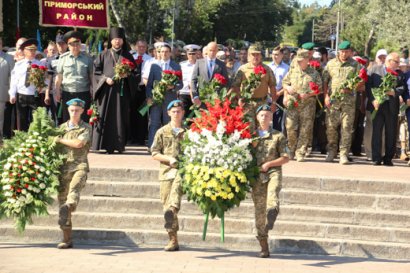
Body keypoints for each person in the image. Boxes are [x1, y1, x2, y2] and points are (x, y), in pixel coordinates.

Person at [252, 104, 289, 258]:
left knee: (272, 196)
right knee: (260, 214)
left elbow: (286, 158)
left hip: (273, 172)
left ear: (271, 117)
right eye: (262, 115)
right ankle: (263, 245)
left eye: (268, 115)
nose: (265, 117)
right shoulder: (250, 136)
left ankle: (273, 211)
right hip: (256, 177)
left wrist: (269, 164)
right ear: (256, 117)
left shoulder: (278, 136)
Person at [92, 27, 137, 154]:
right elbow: (96, 73)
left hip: (122, 94)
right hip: (106, 92)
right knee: (104, 117)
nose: (117, 41)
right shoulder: (103, 55)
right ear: (111, 40)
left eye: (120, 39)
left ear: (123, 41)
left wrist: (127, 76)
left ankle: (119, 145)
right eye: (115, 39)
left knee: (120, 117)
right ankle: (103, 145)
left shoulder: (128, 56)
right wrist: (105, 79)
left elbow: (136, 74)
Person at [55, 98, 92, 249]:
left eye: (77, 110)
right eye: (72, 110)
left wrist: (60, 140)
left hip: (79, 166)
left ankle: (70, 205)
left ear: (82, 111)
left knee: (74, 190)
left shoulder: (86, 128)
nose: (74, 112)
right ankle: (67, 238)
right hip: (63, 170)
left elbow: (79, 143)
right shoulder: (61, 128)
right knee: (62, 205)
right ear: (68, 110)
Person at [151, 100, 185, 251]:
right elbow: (155, 153)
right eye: (174, 112)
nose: (176, 114)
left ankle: (173, 208)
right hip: (166, 172)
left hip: (183, 171)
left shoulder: (189, 133)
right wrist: (168, 159)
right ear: (168, 113)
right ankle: (173, 239)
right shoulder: (162, 132)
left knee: (174, 198)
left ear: (183, 113)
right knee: (167, 208)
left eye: (179, 111)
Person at [323, 41, 363, 164]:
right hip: (333, 101)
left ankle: (344, 154)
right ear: (338, 51)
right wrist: (326, 97)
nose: (344, 54)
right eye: (342, 51)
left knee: (346, 127)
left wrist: (352, 87)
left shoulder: (355, 65)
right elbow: (325, 81)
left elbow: (361, 83)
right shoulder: (330, 64)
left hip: (348, 101)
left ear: (350, 52)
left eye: (346, 51)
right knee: (331, 127)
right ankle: (332, 151)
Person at [282, 49, 322, 161]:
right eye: (297, 60)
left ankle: (300, 152)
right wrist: (287, 89)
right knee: (290, 127)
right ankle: (291, 149)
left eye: (301, 60)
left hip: (308, 106)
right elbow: (285, 82)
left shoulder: (314, 73)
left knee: (305, 130)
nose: (299, 62)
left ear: (307, 60)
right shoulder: (292, 71)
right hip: (293, 104)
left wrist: (309, 94)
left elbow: (319, 89)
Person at [366, 52, 405, 166]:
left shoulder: (399, 74)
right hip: (377, 106)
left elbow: (402, 87)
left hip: (392, 107)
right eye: (396, 62)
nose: (398, 65)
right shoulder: (374, 69)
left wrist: (393, 92)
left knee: (391, 133)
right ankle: (376, 157)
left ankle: (388, 158)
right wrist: (373, 100)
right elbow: (368, 86)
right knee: (377, 132)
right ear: (389, 61)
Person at [231, 44, 276, 132]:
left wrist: (273, 103)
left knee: (262, 128)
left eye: (258, 54)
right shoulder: (243, 69)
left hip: (263, 103)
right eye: (253, 54)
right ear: (249, 56)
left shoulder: (267, 69)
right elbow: (235, 85)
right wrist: (239, 98)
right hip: (247, 103)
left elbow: (272, 86)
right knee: (249, 128)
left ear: (261, 56)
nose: (256, 57)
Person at [146, 43, 182, 149]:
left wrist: (173, 87)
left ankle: (169, 147)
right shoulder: (154, 66)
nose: (164, 54)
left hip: (170, 100)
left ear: (170, 53)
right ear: (159, 53)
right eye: (162, 52)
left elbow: (181, 84)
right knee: (154, 123)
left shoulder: (176, 66)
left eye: (166, 52)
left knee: (169, 123)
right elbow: (149, 84)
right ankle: (152, 146)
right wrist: (149, 97)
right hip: (156, 99)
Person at [55, 31, 93, 123]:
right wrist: (57, 91)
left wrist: (93, 91)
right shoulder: (63, 58)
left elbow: (91, 77)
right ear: (68, 45)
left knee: (83, 118)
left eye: (77, 44)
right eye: (72, 45)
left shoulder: (88, 58)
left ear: (80, 45)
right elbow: (59, 77)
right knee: (67, 118)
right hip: (68, 93)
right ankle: (68, 137)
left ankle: (82, 136)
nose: (75, 47)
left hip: (83, 92)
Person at [8, 39, 43, 132]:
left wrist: (41, 87)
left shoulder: (40, 64)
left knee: (35, 120)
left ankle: (34, 139)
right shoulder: (19, 64)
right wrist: (12, 94)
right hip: (21, 95)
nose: (32, 52)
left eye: (34, 50)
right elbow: (14, 80)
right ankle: (23, 140)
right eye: (29, 50)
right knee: (21, 119)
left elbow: (44, 80)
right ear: (24, 51)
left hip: (34, 95)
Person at [190, 41, 229, 107]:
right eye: (210, 50)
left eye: (214, 51)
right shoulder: (199, 63)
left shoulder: (221, 64)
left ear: (217, 51)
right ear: (207, 50)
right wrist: (195, 96)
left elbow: (226, 82)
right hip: (201, 99)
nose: (212, 53)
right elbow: (193, 80)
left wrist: (222, 96)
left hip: (216, 100)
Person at [129, 39, 152, 145]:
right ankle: (132, 138)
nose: (141, 48)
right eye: (139, 46)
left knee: (142, 114)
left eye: (143, 47)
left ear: (146, 48)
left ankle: (141, 138)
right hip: (133, 90)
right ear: (136, 47)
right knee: (132, 113)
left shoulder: (150, 60)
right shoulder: (131, 58)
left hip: (144, 90)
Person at [45, 35, 68, 125]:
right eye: (59, 44)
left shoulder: (72, 57)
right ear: (56, 45)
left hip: (68, 90)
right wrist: (47, 94)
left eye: (63, 44)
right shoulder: (52, 60)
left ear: (66, 45)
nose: (61, 46)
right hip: (55, 92)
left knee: (67, 116)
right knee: (56, 117)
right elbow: (49, 78)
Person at [268, 46, 289, 132]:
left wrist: (278, 93)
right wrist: (270, 92)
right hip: (268, 96)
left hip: (280, 96)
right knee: (267, 118)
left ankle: (278, 139)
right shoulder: (268, 67)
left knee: (278, 119)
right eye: (273, 54)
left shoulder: (287, 68)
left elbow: (288, 83)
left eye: (276, 54)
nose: (274, 56)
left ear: (282, 55)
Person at [0, 37, 15, 142]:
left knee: (1, 119)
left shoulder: (9, 58)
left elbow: (12, 77)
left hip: (2, 93)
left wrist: (11, 93)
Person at [179, 44, 200, 116]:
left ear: (197, 54)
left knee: (195, 117)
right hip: (184, 93)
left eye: (193, 54)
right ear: (187, 54)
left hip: (197, 94)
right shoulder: (181, 65)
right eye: (189, 54)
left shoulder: (201, 65)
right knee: (183, 115)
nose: (191, 55)